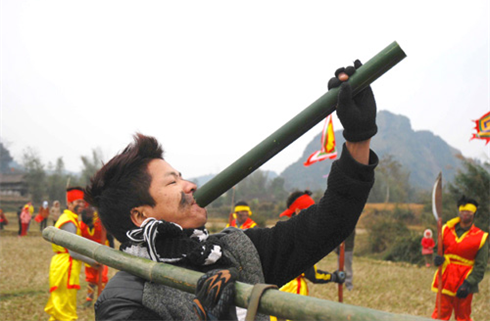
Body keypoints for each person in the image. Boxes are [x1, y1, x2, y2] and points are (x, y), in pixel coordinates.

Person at [85, 60, 379, 321]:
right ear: (140, 215)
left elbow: (329, 223)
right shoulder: (123, 302)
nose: (191, 186)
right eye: (172, 182)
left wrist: (358, 137)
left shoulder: (232, 252)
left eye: (182, 176)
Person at [271, 190, 345, 321]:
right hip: (292, 290)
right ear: (300, 212)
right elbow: (313, 275)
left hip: (276, 291)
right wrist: (334, 277)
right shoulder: (300, 237)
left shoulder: (284, 233)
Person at [44, 187, 101, 321]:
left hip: (65, 265)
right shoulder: (68, 222)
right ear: (69, 203)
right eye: (77, 202)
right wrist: (93, 261)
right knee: (65, 307)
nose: (81, 205)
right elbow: (73, 251)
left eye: (83, 202)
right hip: (65, 266)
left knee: (61, 306)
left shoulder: (72, 219)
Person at [431, 196, 488, 321]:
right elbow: (437, 249)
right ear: (459, 212)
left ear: (474, 214)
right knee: (440, 315)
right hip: (446, 277)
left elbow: (481, 266)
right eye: (463, 211)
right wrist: (436, 258)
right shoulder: (446, 229)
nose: (465, 214)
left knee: (463, 316)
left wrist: (468, 284)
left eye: (469, 211)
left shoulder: (481, 237)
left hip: (465, 280)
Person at [80, 205, 114, 308]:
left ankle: (102, 301)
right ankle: (89, 300)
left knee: (102, 278)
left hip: (102, 253)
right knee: (91, 279)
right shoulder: (81, 225)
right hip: (89, 254)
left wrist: (111, 252)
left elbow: (110, 237)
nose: (89, 225)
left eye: (90, 223)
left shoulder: (101, 223)